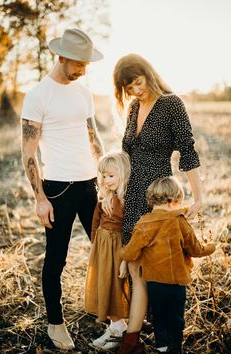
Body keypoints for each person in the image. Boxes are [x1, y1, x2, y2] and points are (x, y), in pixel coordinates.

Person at [113, 54, 203, 353]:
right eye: (128, 88)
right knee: (136, 269)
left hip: (157, 198)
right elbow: (126, 154)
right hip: (132, 192)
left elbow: (187, 151)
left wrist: (198, 196)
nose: (135, 91)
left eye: (137, 82)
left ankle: (163, 339)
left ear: (148, 74)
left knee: (159, 272)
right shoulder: (135, 107)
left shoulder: (171, 104)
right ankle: (133, 338)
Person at [21, 28, 104, 350]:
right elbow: (28, 153)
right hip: (58, 189)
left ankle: (114, 314)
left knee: (106, 248)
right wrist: (40, 198)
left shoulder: (83, 91)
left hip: (91, 185)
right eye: (79, 63)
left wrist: (108, 180)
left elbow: (93, 136)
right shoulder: (38, 94)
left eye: (86, 63)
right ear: (61, 57)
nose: (83, 69)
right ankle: (56, 323)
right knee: (57, 259)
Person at [120, 176, 216, 354]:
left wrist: (123, 257)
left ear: (151, 200)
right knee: (176, 318)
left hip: (155, 283)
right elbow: (196, 249)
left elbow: (130, 252)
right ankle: (175, 348)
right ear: (175, 200)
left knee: (159, 317)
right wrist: (211, 246)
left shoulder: (143, 223)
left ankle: (162, 346)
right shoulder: (179, 221)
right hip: (177, 284)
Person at [85, 151, 131, 350]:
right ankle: (115, 326)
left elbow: (130, 229)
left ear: (122, 174)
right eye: (104, 176)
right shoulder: (104, 196)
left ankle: (119, 327)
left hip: (118, 248)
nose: (106, 180)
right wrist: (95, 243)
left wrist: (126, 257)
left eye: (111, 176)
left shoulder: (127, 199)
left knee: (115, 285)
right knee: (103, 283)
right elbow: (95, 221)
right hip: (102, 247)